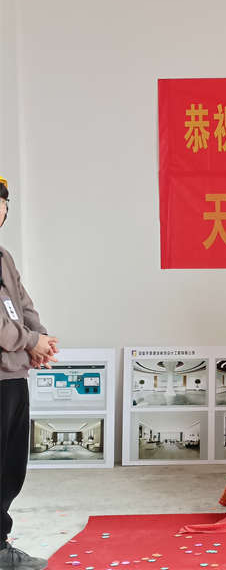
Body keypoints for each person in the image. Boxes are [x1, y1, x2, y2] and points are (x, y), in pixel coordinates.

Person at [0, 176, 58, 570]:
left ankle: (0, 544)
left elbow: (23, 304)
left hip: (13, 377)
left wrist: (40, 341)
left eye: (3, 202)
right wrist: (29, 341)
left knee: (11, 467)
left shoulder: (3, 256)